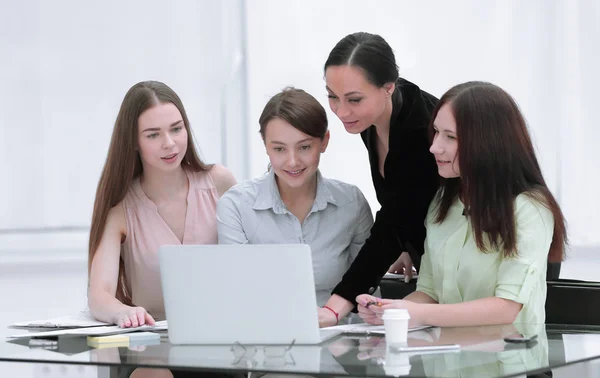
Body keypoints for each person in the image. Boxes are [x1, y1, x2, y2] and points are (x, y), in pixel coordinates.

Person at [356, 81, 567, 328]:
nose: (434, 146)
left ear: (489, 143)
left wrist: (414, 313)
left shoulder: (530, 207)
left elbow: (506, 307)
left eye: (451, 137)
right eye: (435, 132)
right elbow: (430, 292)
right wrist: (388, 312)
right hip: (447, 361)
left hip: (511, 362)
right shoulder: (441, 203)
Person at [87, 81, 236, 378]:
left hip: (218, 344)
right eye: (153, 135)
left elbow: (253, 264)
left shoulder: (220, 182)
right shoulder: (121, 208)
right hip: (152, 351)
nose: (169, 143)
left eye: (176, 129)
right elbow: (99, 293)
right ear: (133, 141)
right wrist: (123, 312)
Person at [216, 87, 373, 316]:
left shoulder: (351, 203)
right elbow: (237, 291)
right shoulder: (236, 205)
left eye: (304, 147)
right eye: (279, 149)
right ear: (265, 144)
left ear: (324, 142)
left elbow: (366, 289)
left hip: (340, 338)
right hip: (262, 340)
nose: (292, 161)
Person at [319, 32, 440, 326]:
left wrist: (337, 305)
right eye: (332, 96)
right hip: (436, 265)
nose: (341, 111)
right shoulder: (371, 119)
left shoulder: (420, 129)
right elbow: (406, 204)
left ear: (388, 87)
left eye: (354, 99)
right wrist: (406, 244)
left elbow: (394, 219)